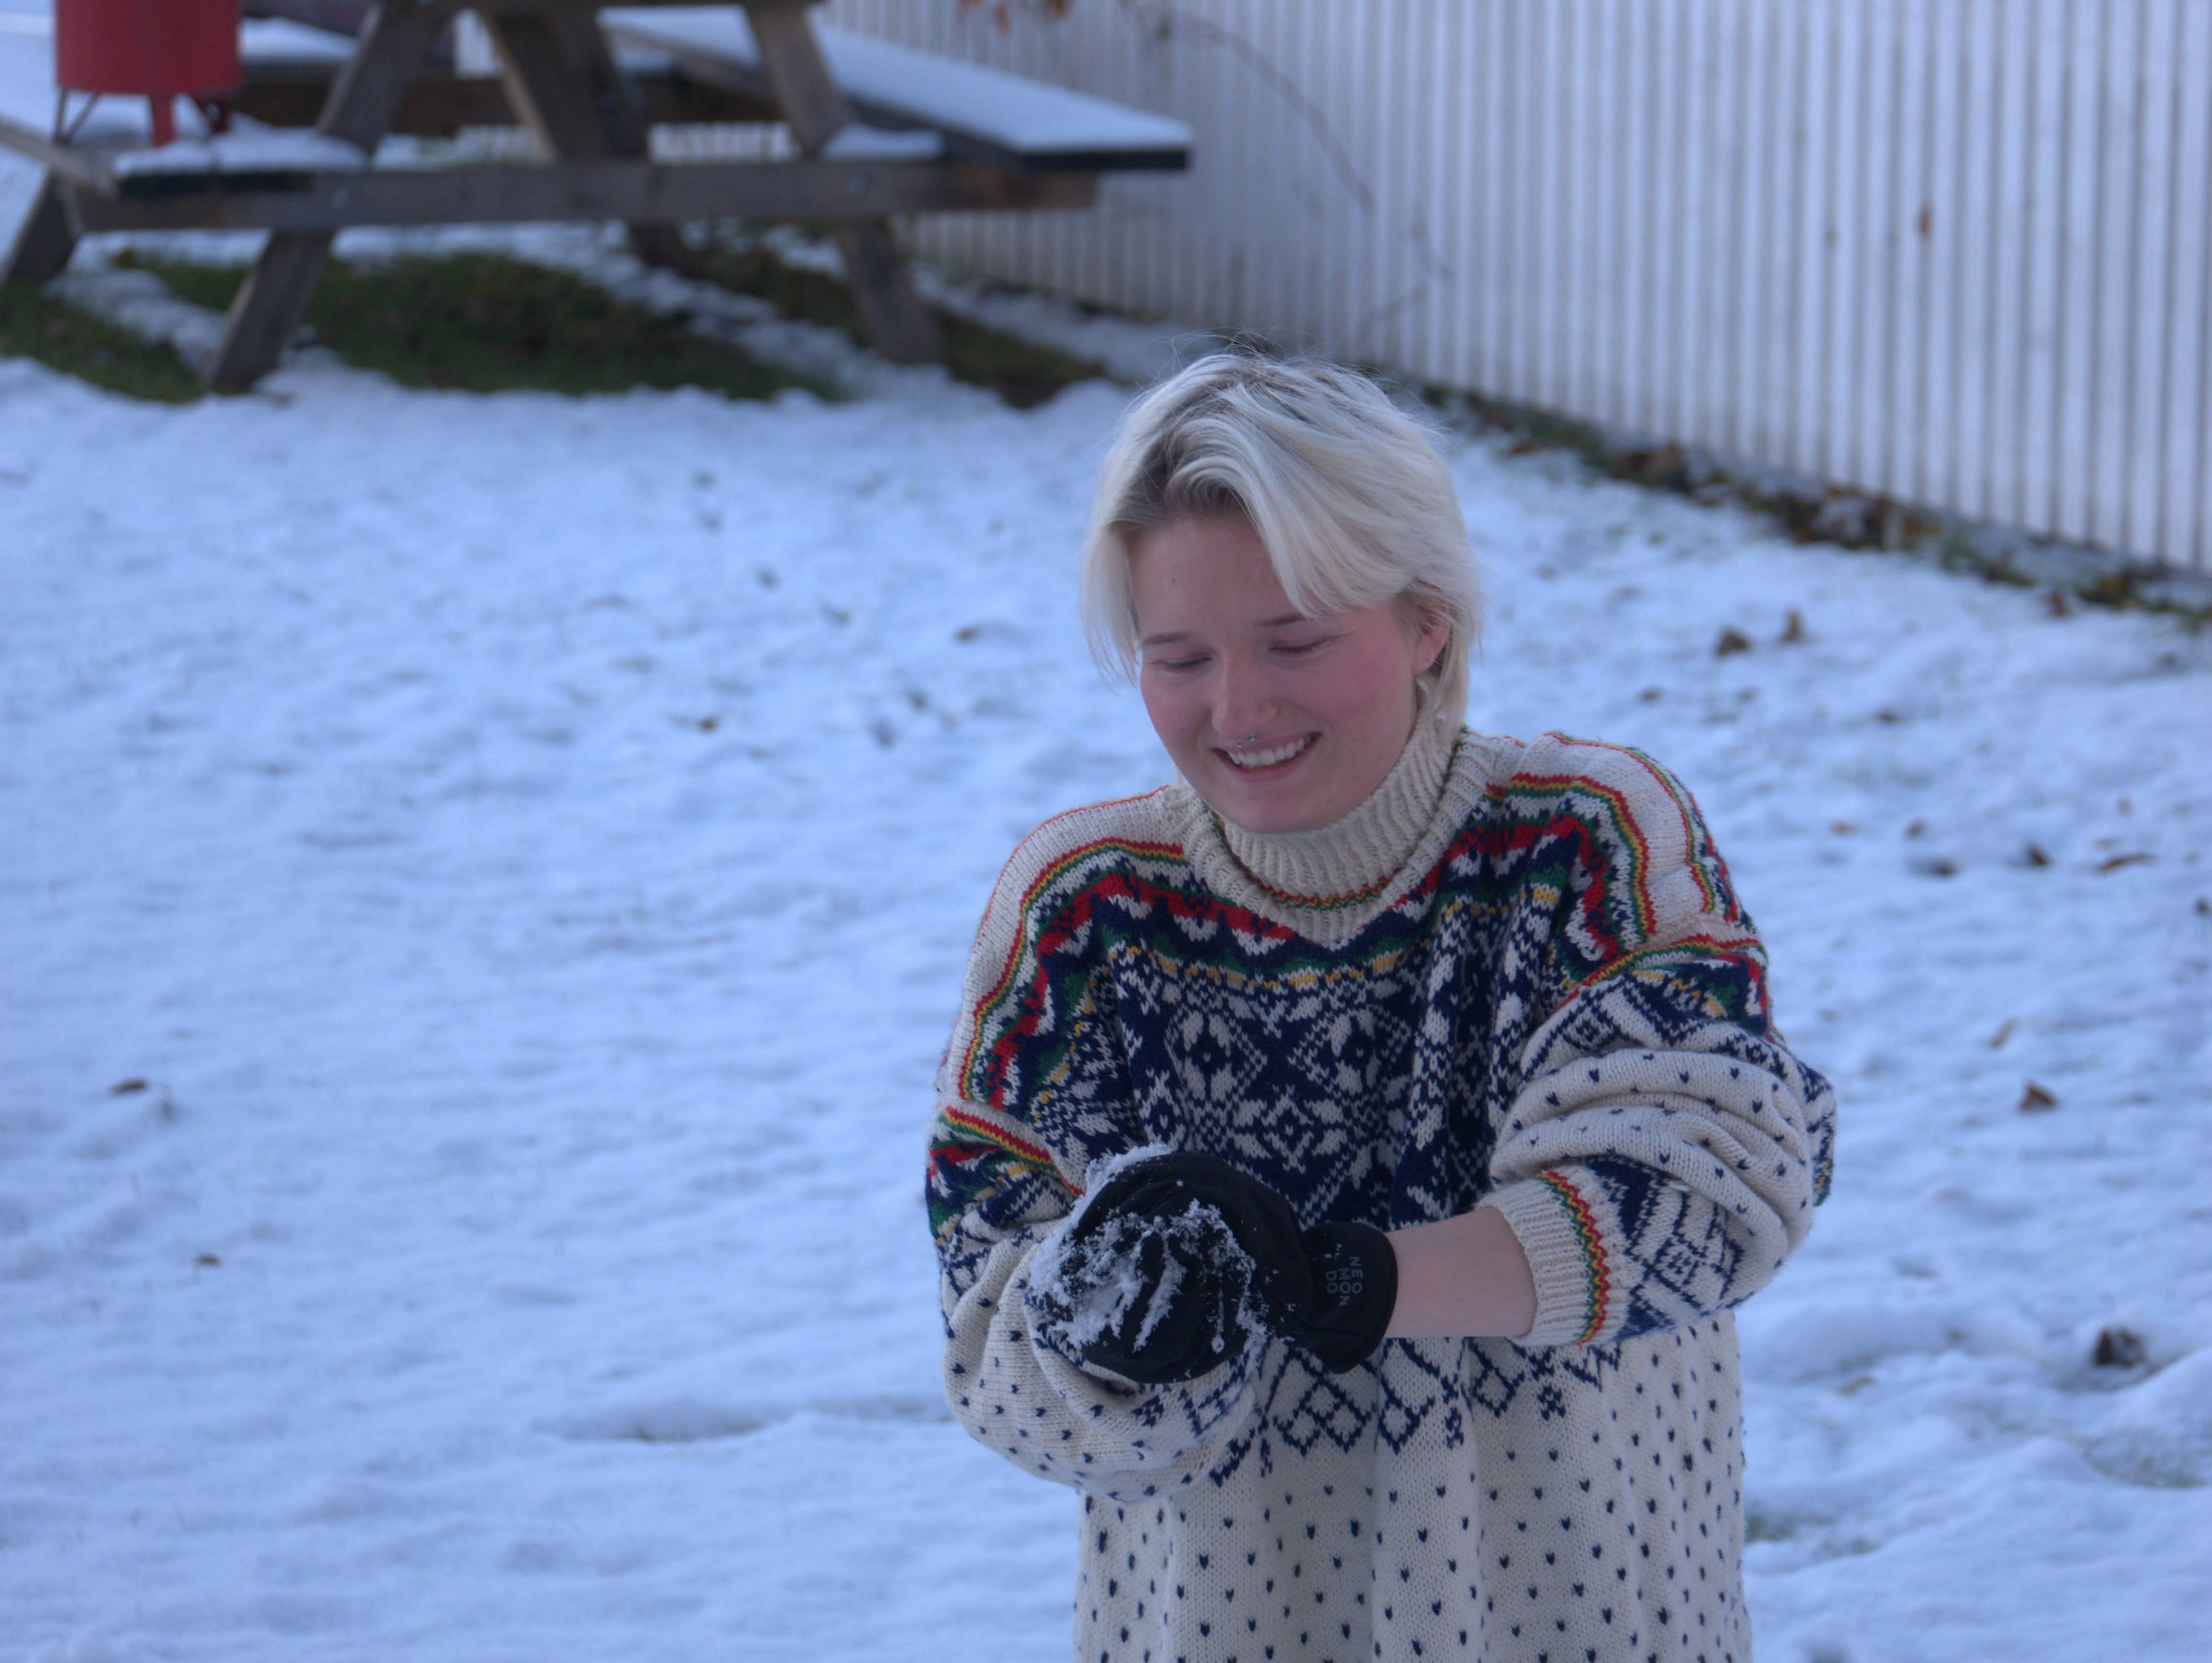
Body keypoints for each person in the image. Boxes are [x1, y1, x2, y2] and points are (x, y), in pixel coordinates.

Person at [925, 353, 1836, 1663]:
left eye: (1295, 641)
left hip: (1579, 1617)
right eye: (1177, 657)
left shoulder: (1586, 845)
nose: (1238, 711)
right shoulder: (1085, 911)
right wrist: (1108, 1329)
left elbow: (1711, 1194)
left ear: (1428, 622)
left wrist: (1351, 1283)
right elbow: (989, 1328)